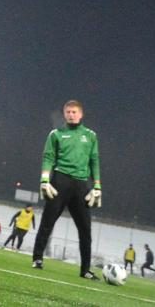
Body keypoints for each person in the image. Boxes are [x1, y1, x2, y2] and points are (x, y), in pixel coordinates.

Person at [31, 100, 102, 280]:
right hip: (60, 180)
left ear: (81, 114)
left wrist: (97, 186)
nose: (71, 114)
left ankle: (85, 269)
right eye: (68, 112)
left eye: (74, 112)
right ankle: (37, 258)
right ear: (64, 114)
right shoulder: (56, 134)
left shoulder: (91, 136)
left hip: (81, 184)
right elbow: (48, 157)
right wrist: (45, 180)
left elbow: (94, 161)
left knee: (85, 229)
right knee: (47, 221)